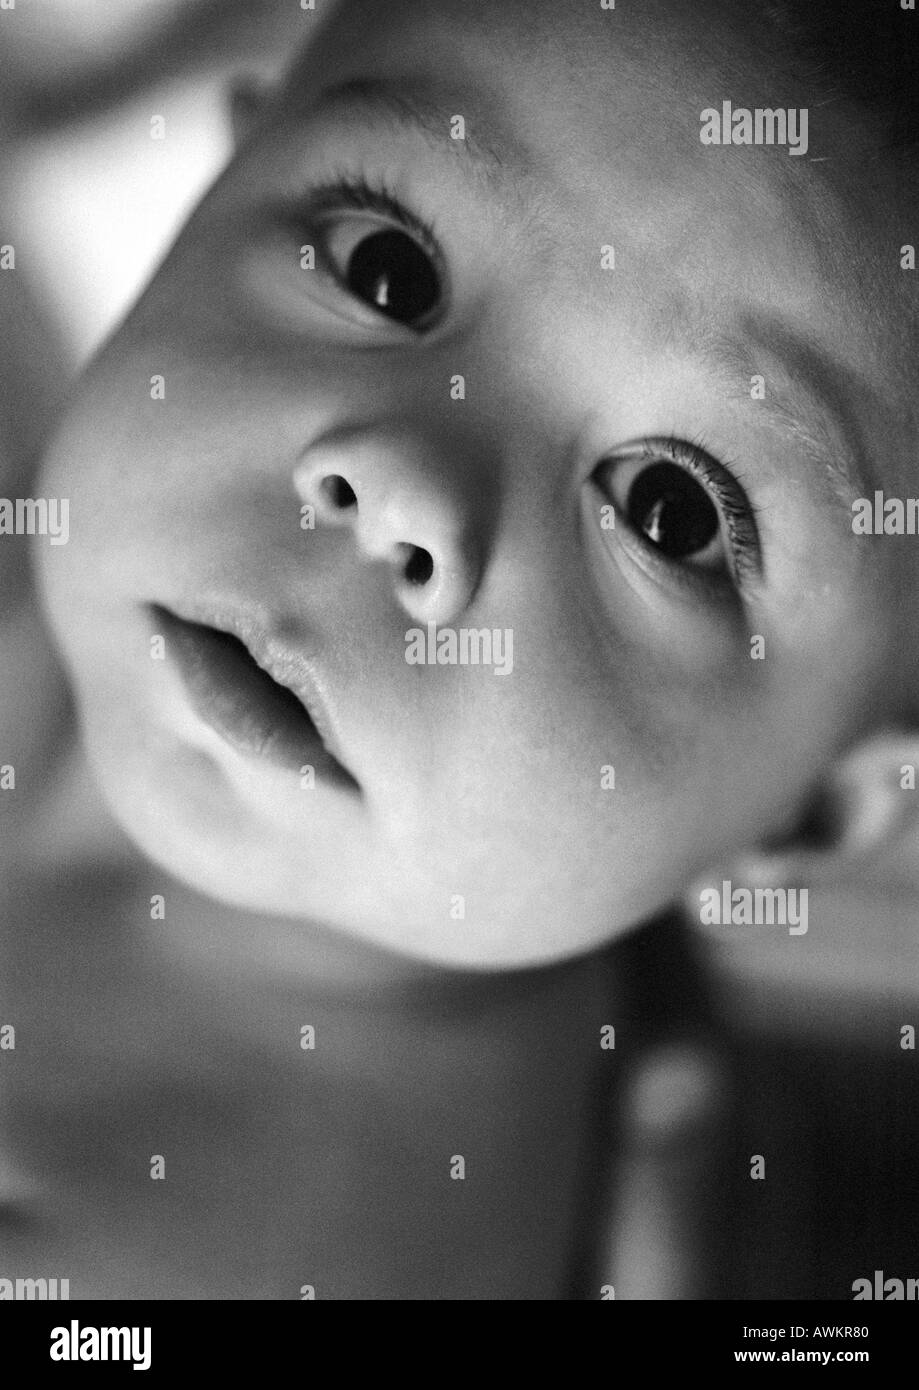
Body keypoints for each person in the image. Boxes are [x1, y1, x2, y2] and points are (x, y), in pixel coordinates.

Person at [2, 0, 917, 1297]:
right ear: (201, 198)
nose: (405, 485)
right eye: (387, 269)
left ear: (811, 806)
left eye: (669, 512)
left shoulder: (264, 1241)